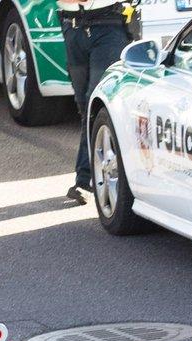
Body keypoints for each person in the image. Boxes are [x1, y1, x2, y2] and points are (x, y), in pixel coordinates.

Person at [59, 0, 137, 203]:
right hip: (72, 26)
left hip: (109, 25)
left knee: (97, 102)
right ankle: (92, 176)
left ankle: (85, 179)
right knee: (84, 108)